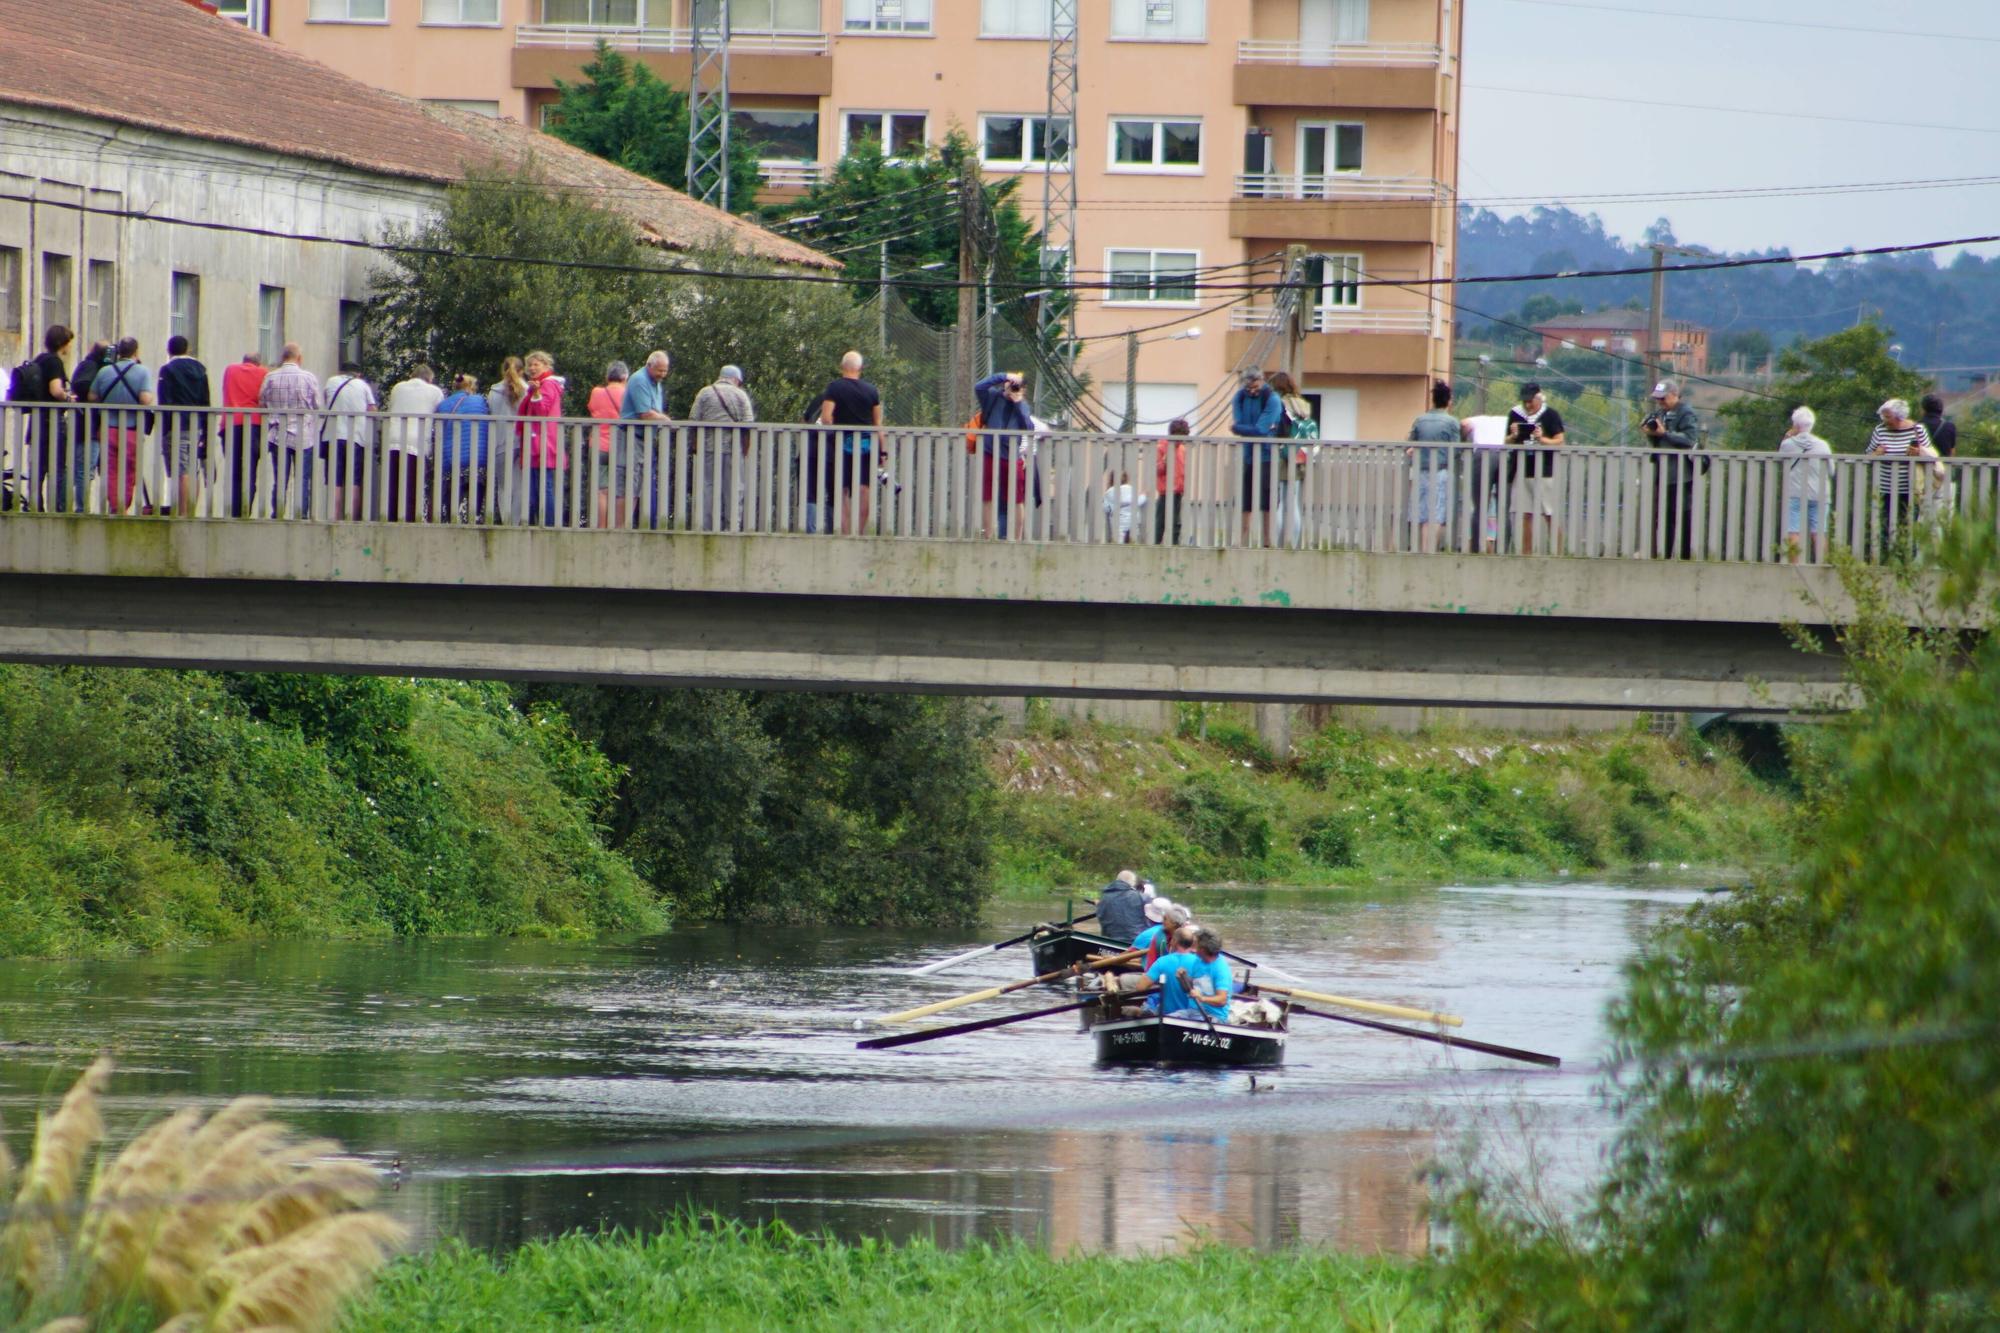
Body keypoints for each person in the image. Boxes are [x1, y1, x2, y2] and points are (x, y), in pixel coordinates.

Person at [89, 338, 155, 515]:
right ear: (136, 352)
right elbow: (145, 399)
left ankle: (114, 506)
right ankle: (123, 507)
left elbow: (92, 396)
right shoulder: (142, 372)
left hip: (107, 428)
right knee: (129, 469)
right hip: (132, 428)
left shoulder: (104, 371)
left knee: (110, 469)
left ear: (118, 352)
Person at [819, 351, 882, 535]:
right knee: (864, 489)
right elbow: (878, 423)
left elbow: (825, 418)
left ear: (842, 367)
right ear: (860, 369)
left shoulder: (834, 388)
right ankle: (860, 532)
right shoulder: (872, 390)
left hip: (840, 445)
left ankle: (845, 533)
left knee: (841, 489)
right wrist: (883, 451)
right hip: (866, 445)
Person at [257, 343, 322, 519]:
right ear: (299, 358)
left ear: (282, 357)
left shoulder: (271, 377)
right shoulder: (308, 377)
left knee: (280, 478)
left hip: (279, 434)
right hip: (304, 435)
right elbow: (317, 405)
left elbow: (262, 401)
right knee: (302, 478)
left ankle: (277, 513)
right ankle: (301, 515)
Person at [691, 364, 756, 532]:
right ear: (736, 380)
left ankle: (706, 527)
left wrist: (695, 445)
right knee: (734, 488)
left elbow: (693, 420)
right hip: (733, 449)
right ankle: (732, 527)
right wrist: (745, 449)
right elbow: (748, 424)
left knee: (708, 487)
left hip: (709, 448)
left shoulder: (705, 393)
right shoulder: (740, 395)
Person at [1866, 398, 1933, 558]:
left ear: (1899, 417)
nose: (1884, 420)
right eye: (1883, 416)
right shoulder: (1880, 430)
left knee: (1908, 525)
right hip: (1885, 487)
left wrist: (1918, 453)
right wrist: (1876, 454)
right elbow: (1867, 455)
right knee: (1885, 525)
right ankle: (1886, 559)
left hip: (1910, 488)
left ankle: (1907, 560)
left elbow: (1930, 455)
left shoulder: (1917, 429)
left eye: (1887, 417)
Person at [972, 370, 1034, 539]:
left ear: (1023, 390)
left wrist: (1018, 403)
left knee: (1016, 499)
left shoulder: (1023, 406)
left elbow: (1028, 428)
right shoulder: (992, 397)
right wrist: (1004, 376)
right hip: (990, 452)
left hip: (1012, 456)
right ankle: (988, 537)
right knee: (988, 496)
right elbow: (979, 387)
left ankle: (1017, 538)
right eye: (1011, 384)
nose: (1012, 387)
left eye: (1017, 386)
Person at [1643, 380, 1700, 559]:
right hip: (1663, 473)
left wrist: (1664, 433)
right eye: (1658, 399)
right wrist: (1651, 434)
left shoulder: (1686, 413)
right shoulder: (1659, 413)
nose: (1660, 402)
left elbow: (1690, 439)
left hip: (1681, 475)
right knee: (1665, 517)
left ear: (1675, 395)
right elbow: (1657, 442)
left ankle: (1684, 557)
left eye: (1663, 398)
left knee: (1683, 516)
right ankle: (1665, 555)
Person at [1506, 383, 1565, 554]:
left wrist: (1542, 439)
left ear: (1538, 398)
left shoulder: (1550, 415)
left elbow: (1559, 440)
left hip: (1545, 471)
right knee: (1525, 514)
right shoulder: (1515, 413)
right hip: (1522, 470)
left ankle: (1557, 552)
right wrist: (1514, 435)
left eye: (1530, 401)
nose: (1527, 405)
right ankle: (1526, 553)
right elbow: (1506, 441)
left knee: (1550, 513)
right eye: (1525, 401)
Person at [156, 334, 211, 517]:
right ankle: (192, 510)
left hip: (177, 425)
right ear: (187, 349)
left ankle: (183, 513)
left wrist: (164, 429)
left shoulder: (168, 370)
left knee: (181, 471)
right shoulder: (200, 369)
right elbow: (205, 400)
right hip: (197, 425)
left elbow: (165, 400)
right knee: (193, 468)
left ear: (169, 351)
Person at [616, 351, 672, 529]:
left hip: (645, 438)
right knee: (629, 484)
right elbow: (645, 413)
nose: (662, 374)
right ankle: (621, 527)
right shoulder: (639, 380)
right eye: (659, 371)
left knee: (641, 484)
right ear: (650, 366)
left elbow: (655, 410)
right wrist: (667, 421)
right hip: (631, 437)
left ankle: (636, 525)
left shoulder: (656, 382)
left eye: (665, 371)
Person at [27, 325, 79, 513]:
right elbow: (55, 390)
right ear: (62, 343)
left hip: (37, 420)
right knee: (56, 468)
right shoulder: (55, 362)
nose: (70, 347)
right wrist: (69, 398)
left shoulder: (39, 359)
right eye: (69, 343)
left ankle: (35, 505)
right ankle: (56, 507)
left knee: (37, 468)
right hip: (52, 422)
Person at [383, 364, 444, 522]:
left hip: (394, 439)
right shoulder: (435, 391)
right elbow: (440, 413)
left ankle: (392, 519)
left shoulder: (397, 388)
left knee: (393, 484)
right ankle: (409, 520)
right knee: (412, 486)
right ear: (429, 379)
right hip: (416, 442)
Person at [1232, 369, 1283, 545]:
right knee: (1245, 501)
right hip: (1247, 455)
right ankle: (1240, 542)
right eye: (1248, 388)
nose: (1252, 391)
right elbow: (1240, 423)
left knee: (1268, 502)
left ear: (1262, 381)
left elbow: (1260, 430)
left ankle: (1268, 542)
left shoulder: (1272, 399)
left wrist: (1240, 429)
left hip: (1267, 456)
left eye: (1254, 387)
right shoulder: (1239, 397)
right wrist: (1242, 429)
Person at [1406, 380, 1458, 554]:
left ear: (1433, 399)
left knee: (1422, 514)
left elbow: (1409, 444)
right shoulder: (1451, 422)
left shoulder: (1420, 420)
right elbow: (1456, 450)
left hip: (1421, 471)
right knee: (1436, 513)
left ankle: (1422, 550)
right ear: (1448, 400)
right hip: (1441, 471)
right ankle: (1431, 551)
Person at [516, 350, 566, 527]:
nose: (532, 368)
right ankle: (538, 522)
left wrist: (536, 393)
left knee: (544, 486)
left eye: (536, 364)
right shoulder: (538, 385)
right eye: (530, 365)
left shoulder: (547, 385)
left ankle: (548, 524)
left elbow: (543, 410)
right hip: (536, 442)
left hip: (543, 443)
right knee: (535, 487)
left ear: (546, 365)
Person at [321, 363, 376, 522]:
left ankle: (333, 517)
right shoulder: (363, 385)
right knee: (354, 480)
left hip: (333, 435)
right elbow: (372, 410)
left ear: (340, 371)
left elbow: (327, 401)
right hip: (355, 437)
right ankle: (351, 518)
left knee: (334, 479)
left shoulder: (331, 382)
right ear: (357, 374)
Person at [1778, 405, 1832, 565]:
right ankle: (1823, 565)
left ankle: (1794, 565)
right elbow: (1832, 469)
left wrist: (1787, 437)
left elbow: (1781, 460)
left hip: (1795, 492)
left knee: (1793, 530)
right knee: (1820, 530)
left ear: (1795, 424)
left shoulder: (1788, 444)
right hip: (1820, 493)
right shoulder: (1823, 445)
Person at [435, 373, 490, 523]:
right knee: (476, 486)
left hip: (450, 457)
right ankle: (474, 517)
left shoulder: (443, 405)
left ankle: (449, 518)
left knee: (452, 489)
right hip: (476, 455)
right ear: (471, 386)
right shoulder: (479, 401)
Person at [1268, 370, 1314, 548]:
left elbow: (1276, 428)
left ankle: (1276, 543)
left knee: (1280, 501)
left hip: (1281, 454)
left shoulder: (1279, 404)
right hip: (1299, 456)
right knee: (1293, 501)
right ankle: (1294, 544)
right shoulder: (1303, 405)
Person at [219, 352, 267, 518]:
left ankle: (233, 511)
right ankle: (245, 511)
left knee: (233, 470)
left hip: (231, 424)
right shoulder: (263, 373)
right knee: (250, 470)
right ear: (258, 363)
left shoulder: (230, 370)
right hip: (254, 424)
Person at [1460, 411, 1509, 553]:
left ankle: (1476, 549)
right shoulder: (1506, 419)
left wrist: (1463, 438)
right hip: (1505, 454)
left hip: (1483, 454)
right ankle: (1503, 550)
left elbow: (1464, 424)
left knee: (1480, 507)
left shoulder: (1475, 420)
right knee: (1504, 508)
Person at [588, 361, 629, 530]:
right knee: (621, 489)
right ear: (625, 377)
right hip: (621, 445)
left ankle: (602, 526)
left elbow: (591, 408)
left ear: (607, 376)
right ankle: (618, 526)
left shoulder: (596, 392)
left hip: (598, 444)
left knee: (601, 490)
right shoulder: (628, 393)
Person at [1155, 418, 1190, 546]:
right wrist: (1165, 459)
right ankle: (1156, 544)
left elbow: (1182, 469)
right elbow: (1157, 469)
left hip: (1178, 490)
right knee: (1160, 521)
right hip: (1165, 490)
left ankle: (1175, 545)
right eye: (1179, 437)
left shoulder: (1182, 449)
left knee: (1176, 522)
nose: (1181, 441)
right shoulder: (1161, 446)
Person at [1094, 869, 1149, 944]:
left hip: (1110, 942)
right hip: (1136, 943)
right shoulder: (1141, 897)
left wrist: (1100, 905)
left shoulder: (1104, 898)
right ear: (1132, 884)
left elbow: (1101, 918)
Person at [1101, 470, 1146, 542]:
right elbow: (1138, 502)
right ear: (1126, 478)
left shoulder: (1110, 492)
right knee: (1133, 541)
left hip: (1119, 523)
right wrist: (1144, 496)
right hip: (1133, 521)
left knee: (1119, 542)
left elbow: (1106, 508)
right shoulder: (1131, 489)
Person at [1920, 392, 1957, 459]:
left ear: (1924, 409)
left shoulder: (1917, 426)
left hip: (1921, 468)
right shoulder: (1949, 426)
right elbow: (1952, 452)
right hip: (1943, 467)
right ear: (1941, 409)